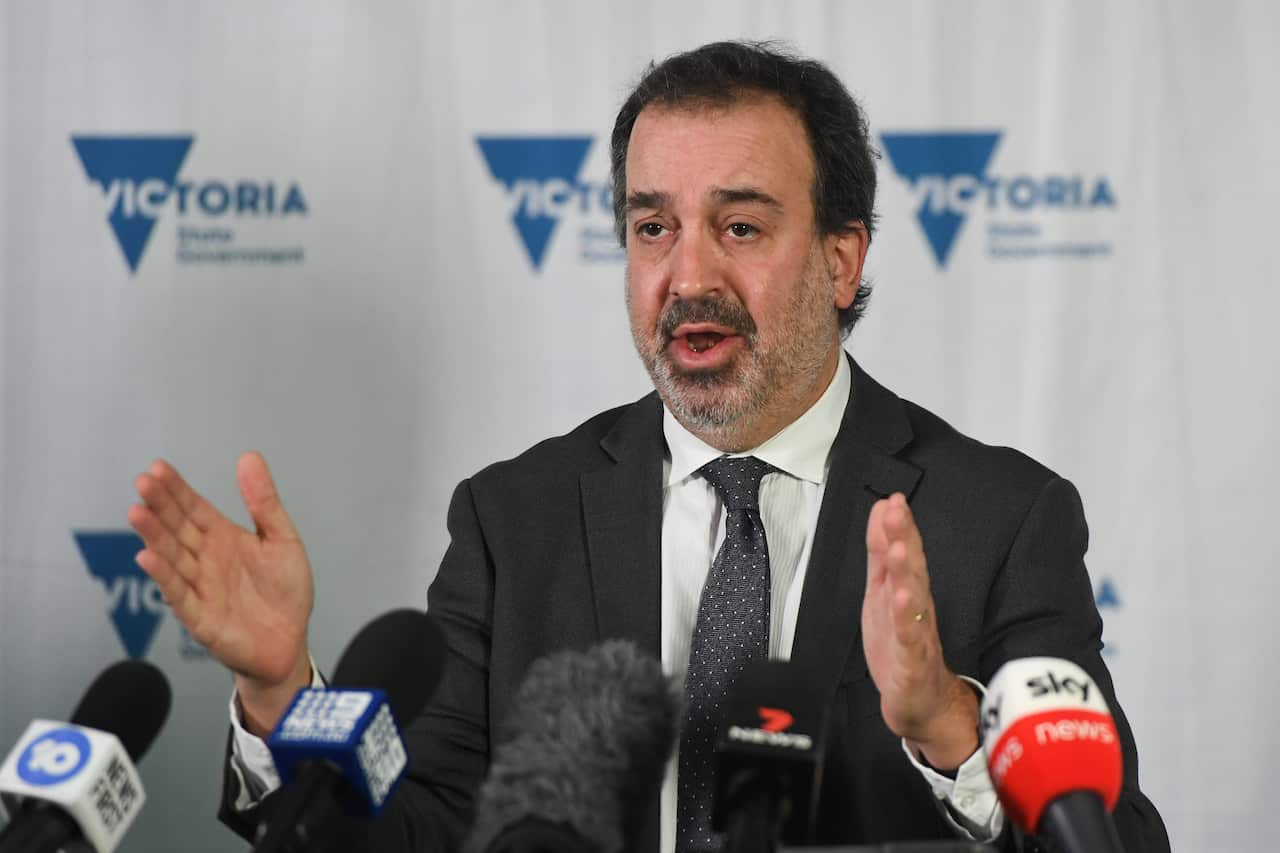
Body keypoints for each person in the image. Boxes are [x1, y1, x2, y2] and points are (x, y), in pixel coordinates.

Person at [128, 41, 1169, 852]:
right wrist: (279, 697)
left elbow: (1115, 840)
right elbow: (419, 833)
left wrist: (947, 724)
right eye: (651, 227)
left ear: (843, 257)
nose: (686, 277)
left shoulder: (994, 517)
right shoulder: (513, 519)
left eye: (741, 227)